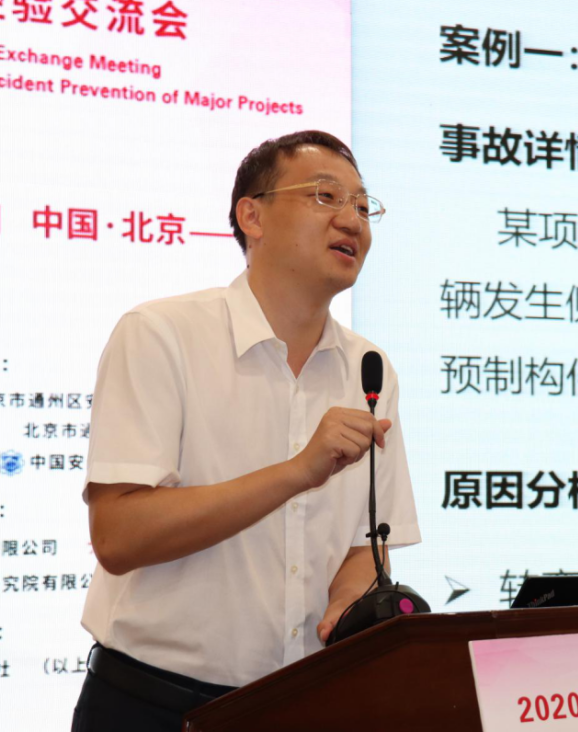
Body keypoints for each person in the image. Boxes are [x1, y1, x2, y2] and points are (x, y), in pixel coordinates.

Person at [71, 130, 420, 732]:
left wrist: (348, 600)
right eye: (325, 196)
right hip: (154, 706)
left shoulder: (369, 368)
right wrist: (296, 473)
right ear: (251, 216)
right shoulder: (161, 334)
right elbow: (118, 536)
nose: (352, 220)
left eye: (364, 207)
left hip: (305, 701)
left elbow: (368, 542)